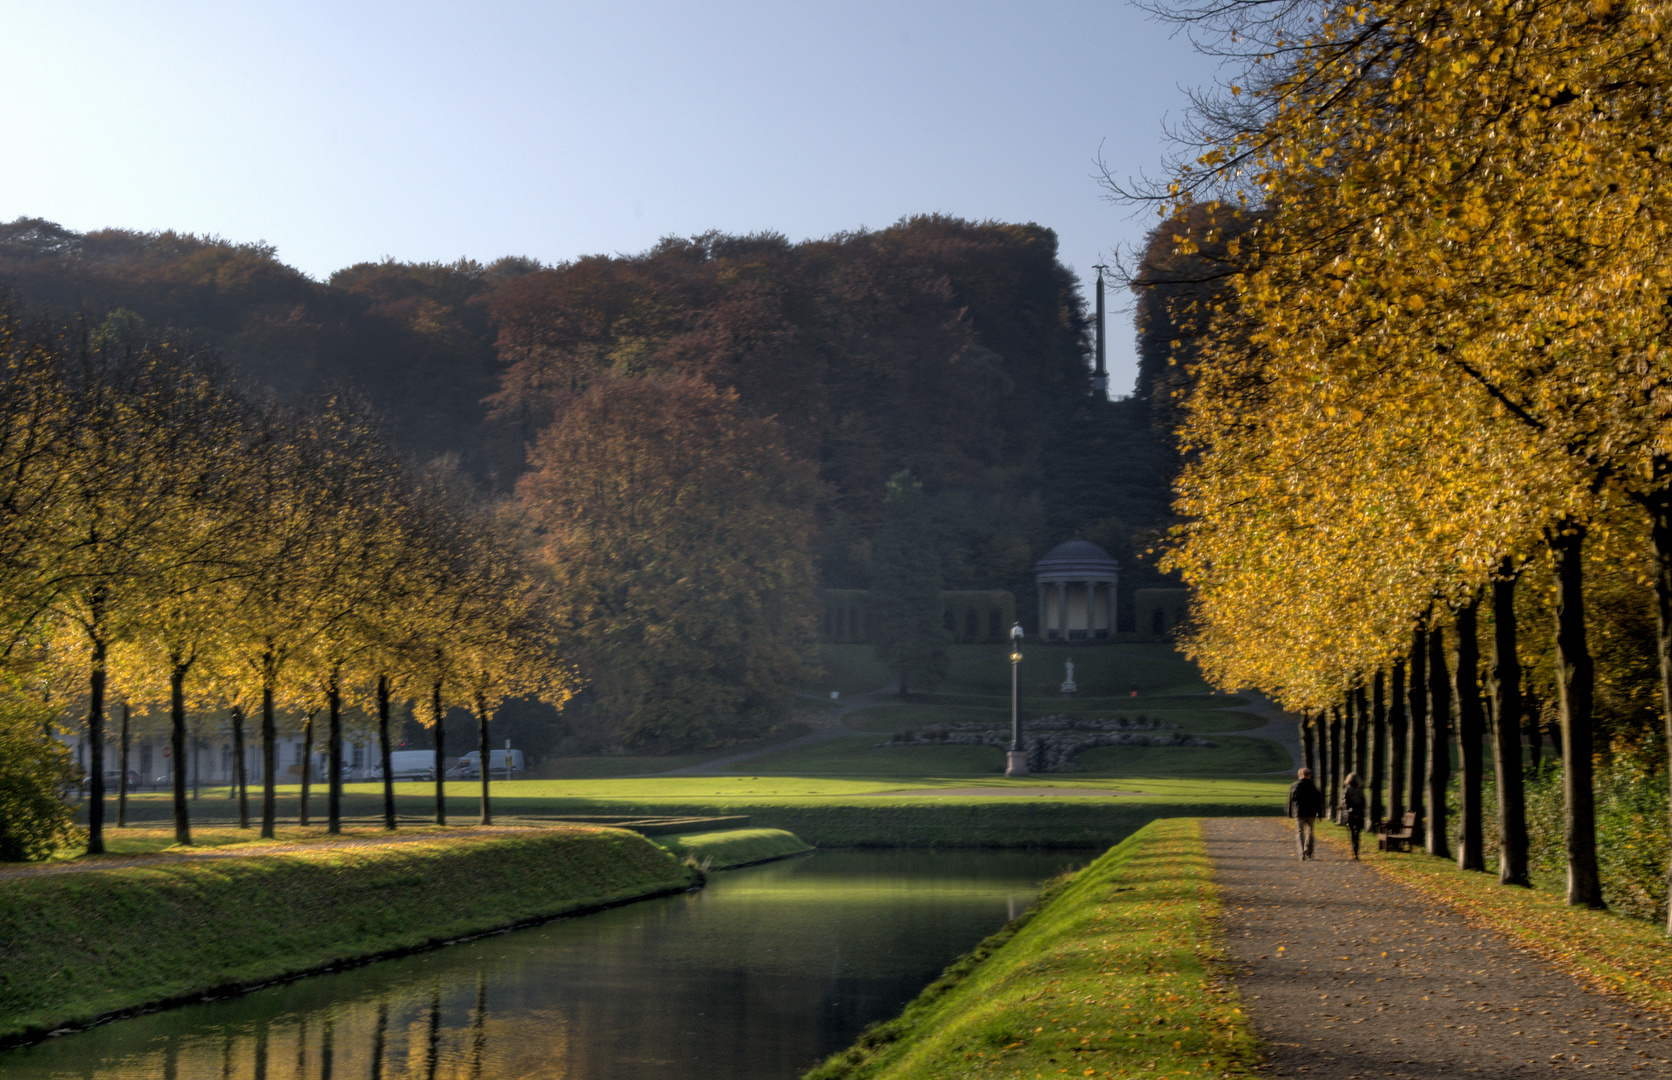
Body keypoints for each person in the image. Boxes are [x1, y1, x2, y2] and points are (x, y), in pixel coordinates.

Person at [1286, 766, 1324, 861]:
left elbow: (1291, 800)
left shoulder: (1295, 786)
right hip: (1311, 813)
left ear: (1300, 775)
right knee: (1310, 833)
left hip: (1299, 813)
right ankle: (1309, 852)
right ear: (1310, 775)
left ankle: (1301, 853)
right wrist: (1320, 814)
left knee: (1300, 833)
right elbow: (1318, 801)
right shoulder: (1314, 787)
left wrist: (1289, 812)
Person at [1342, 772, 1367, 860]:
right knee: (1358, 834)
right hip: (1359, 814)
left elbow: (1345, 803)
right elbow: (1364, 803)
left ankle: (1354, 851)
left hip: (1350, 815)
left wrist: (1349, 812)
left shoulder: (1346, 790)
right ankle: (1356, 851)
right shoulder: (1360, 790)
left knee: (1352, 833)